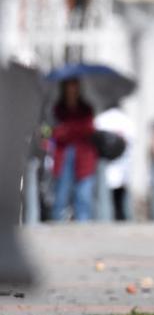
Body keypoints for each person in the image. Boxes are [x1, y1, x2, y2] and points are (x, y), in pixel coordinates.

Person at [50, 78, 97, 222]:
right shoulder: (58, 109)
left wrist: (68, 130)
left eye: (74, 88)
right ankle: (57, 226)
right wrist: (72, 131)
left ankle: (83, 227)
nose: (71, 91)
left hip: (84, 156)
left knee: (83, 196)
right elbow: (54, 132)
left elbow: (88, 130)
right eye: (69, 88)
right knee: (61, 195)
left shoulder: (86, 109)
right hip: (64, 154)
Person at [94, 101, 134, 221]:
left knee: (104, 198)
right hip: (123, 167)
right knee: (121, 200)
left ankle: (105, 220)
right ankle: (123, 220)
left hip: (105, 167)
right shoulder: (127, 120)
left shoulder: (101, 119)